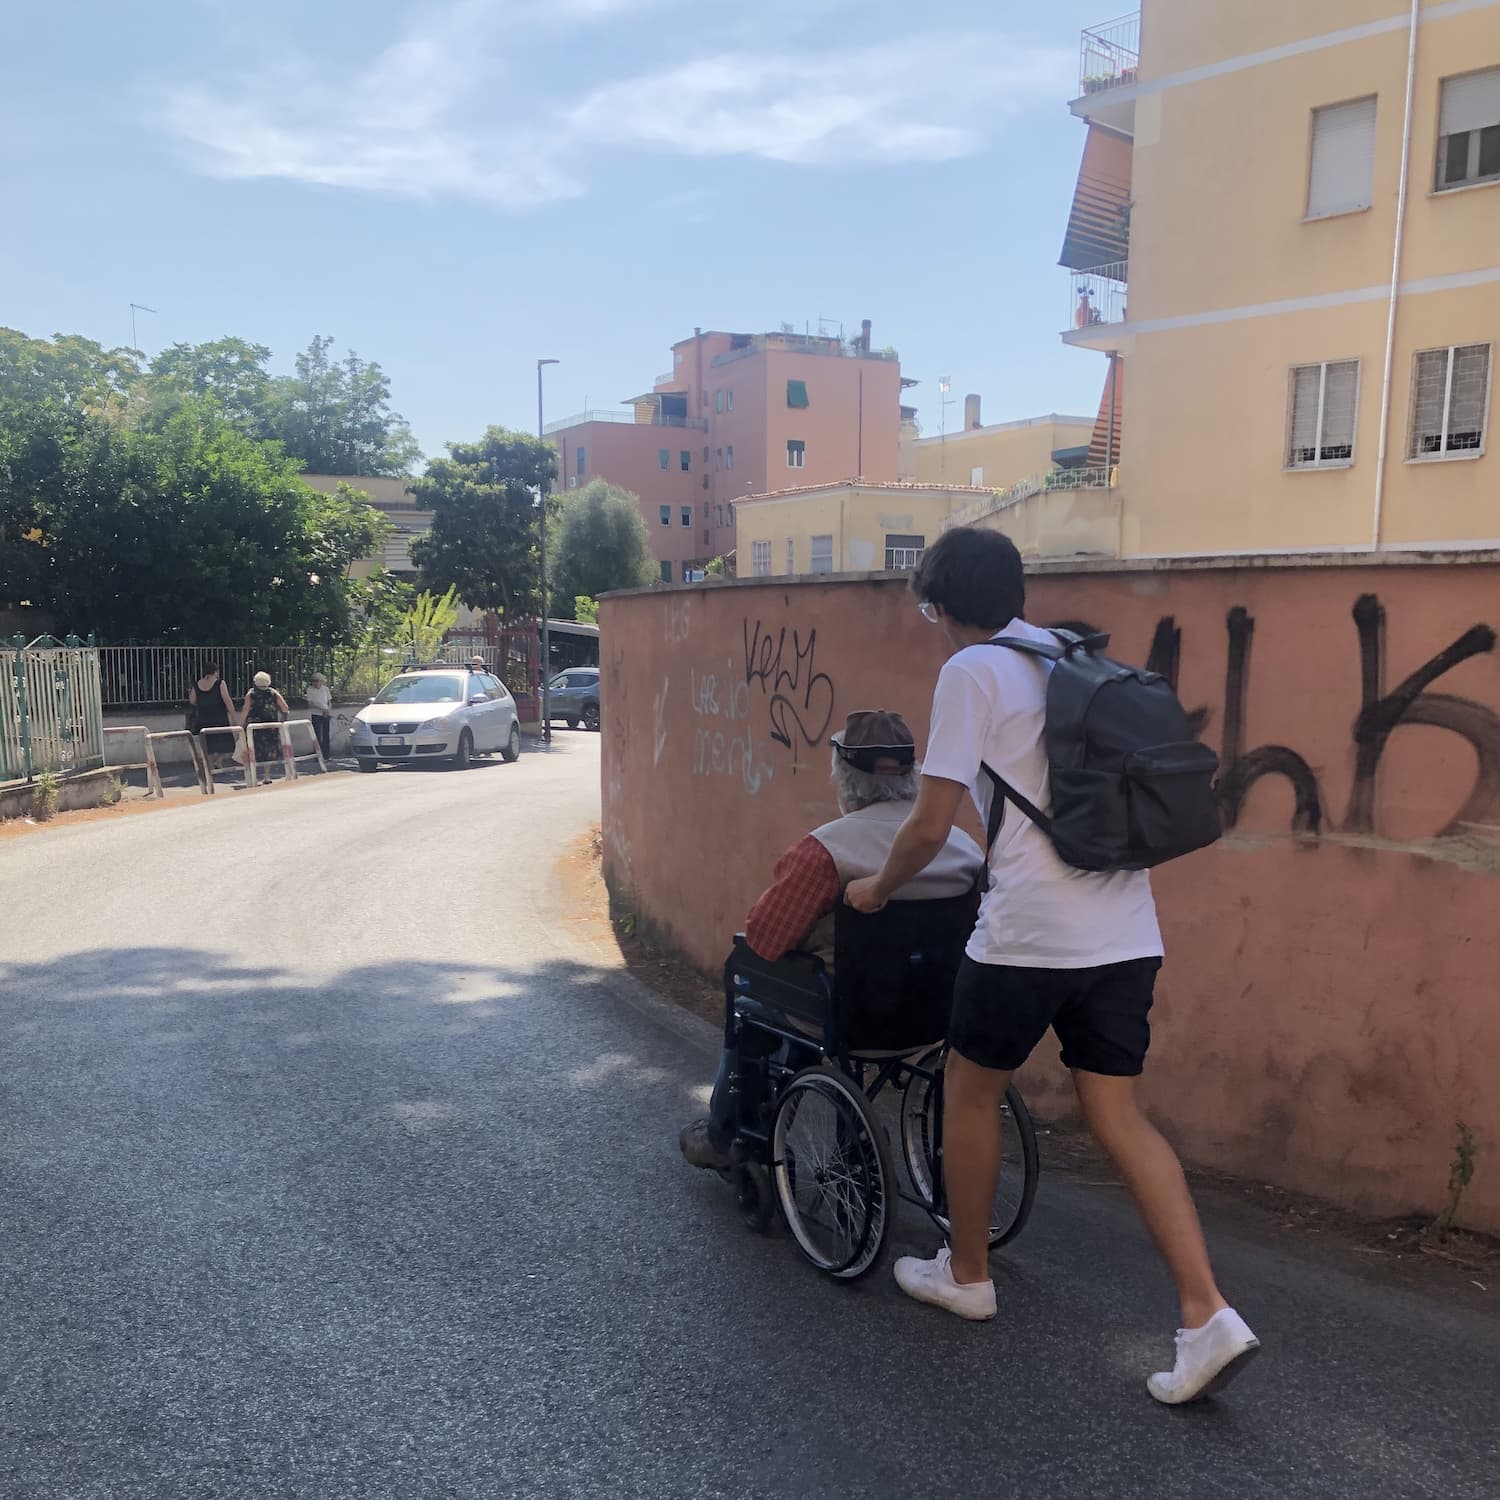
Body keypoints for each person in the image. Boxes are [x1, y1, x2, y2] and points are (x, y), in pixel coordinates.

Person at [845, 526, 1259, 1406]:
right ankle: (1206, 1314)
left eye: (929, 610)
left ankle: (967, 1273)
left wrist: (876, 889)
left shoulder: (971, 672)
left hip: (1030, 933)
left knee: (969, 1088)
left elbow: (927, 823)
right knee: (1118, 1115)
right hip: (1126, 930)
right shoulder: (1069, 654)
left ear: (944, 608)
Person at [679, 709, 984, 1172]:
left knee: (749, 993)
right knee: (801, 1001)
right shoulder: (962, 846)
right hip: (936, 1014)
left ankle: (725, 1133)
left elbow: (764, 939)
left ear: (843, 775)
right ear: (912, 774)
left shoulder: (826, 851)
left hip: (852, 1015)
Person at [189, 659, 237, 771]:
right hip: (219, 716)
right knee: (226, 742)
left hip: (203, 717)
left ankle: (211, 765)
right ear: (215, 671)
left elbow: (192, 700)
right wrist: (233, 716)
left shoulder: (197, 684)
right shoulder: (220, 683)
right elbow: (227, 700)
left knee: (208, 744)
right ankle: (218, 761)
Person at [241, 671, 291, 776]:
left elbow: (245, 709)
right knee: (269, 749)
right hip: (271, 725)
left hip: (254, 725)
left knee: (253, 747)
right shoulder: (273, 692)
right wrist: (283, 719)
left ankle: (252, 774)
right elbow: (285, 708)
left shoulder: (251, 693)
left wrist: (242, 723)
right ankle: (267, 775)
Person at [305, 673, 333, 760]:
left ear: (321, 681)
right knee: (316, 735)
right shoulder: (310, 690)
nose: (315, 683)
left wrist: (328, 710)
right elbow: (311, 703)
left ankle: (326, 755)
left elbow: (329, 701)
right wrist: (322, 709)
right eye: (313, 681)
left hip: (325, 714)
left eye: (317, 681)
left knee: (326, 735)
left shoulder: (325, 689)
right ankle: (317, 756)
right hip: (316, 714)